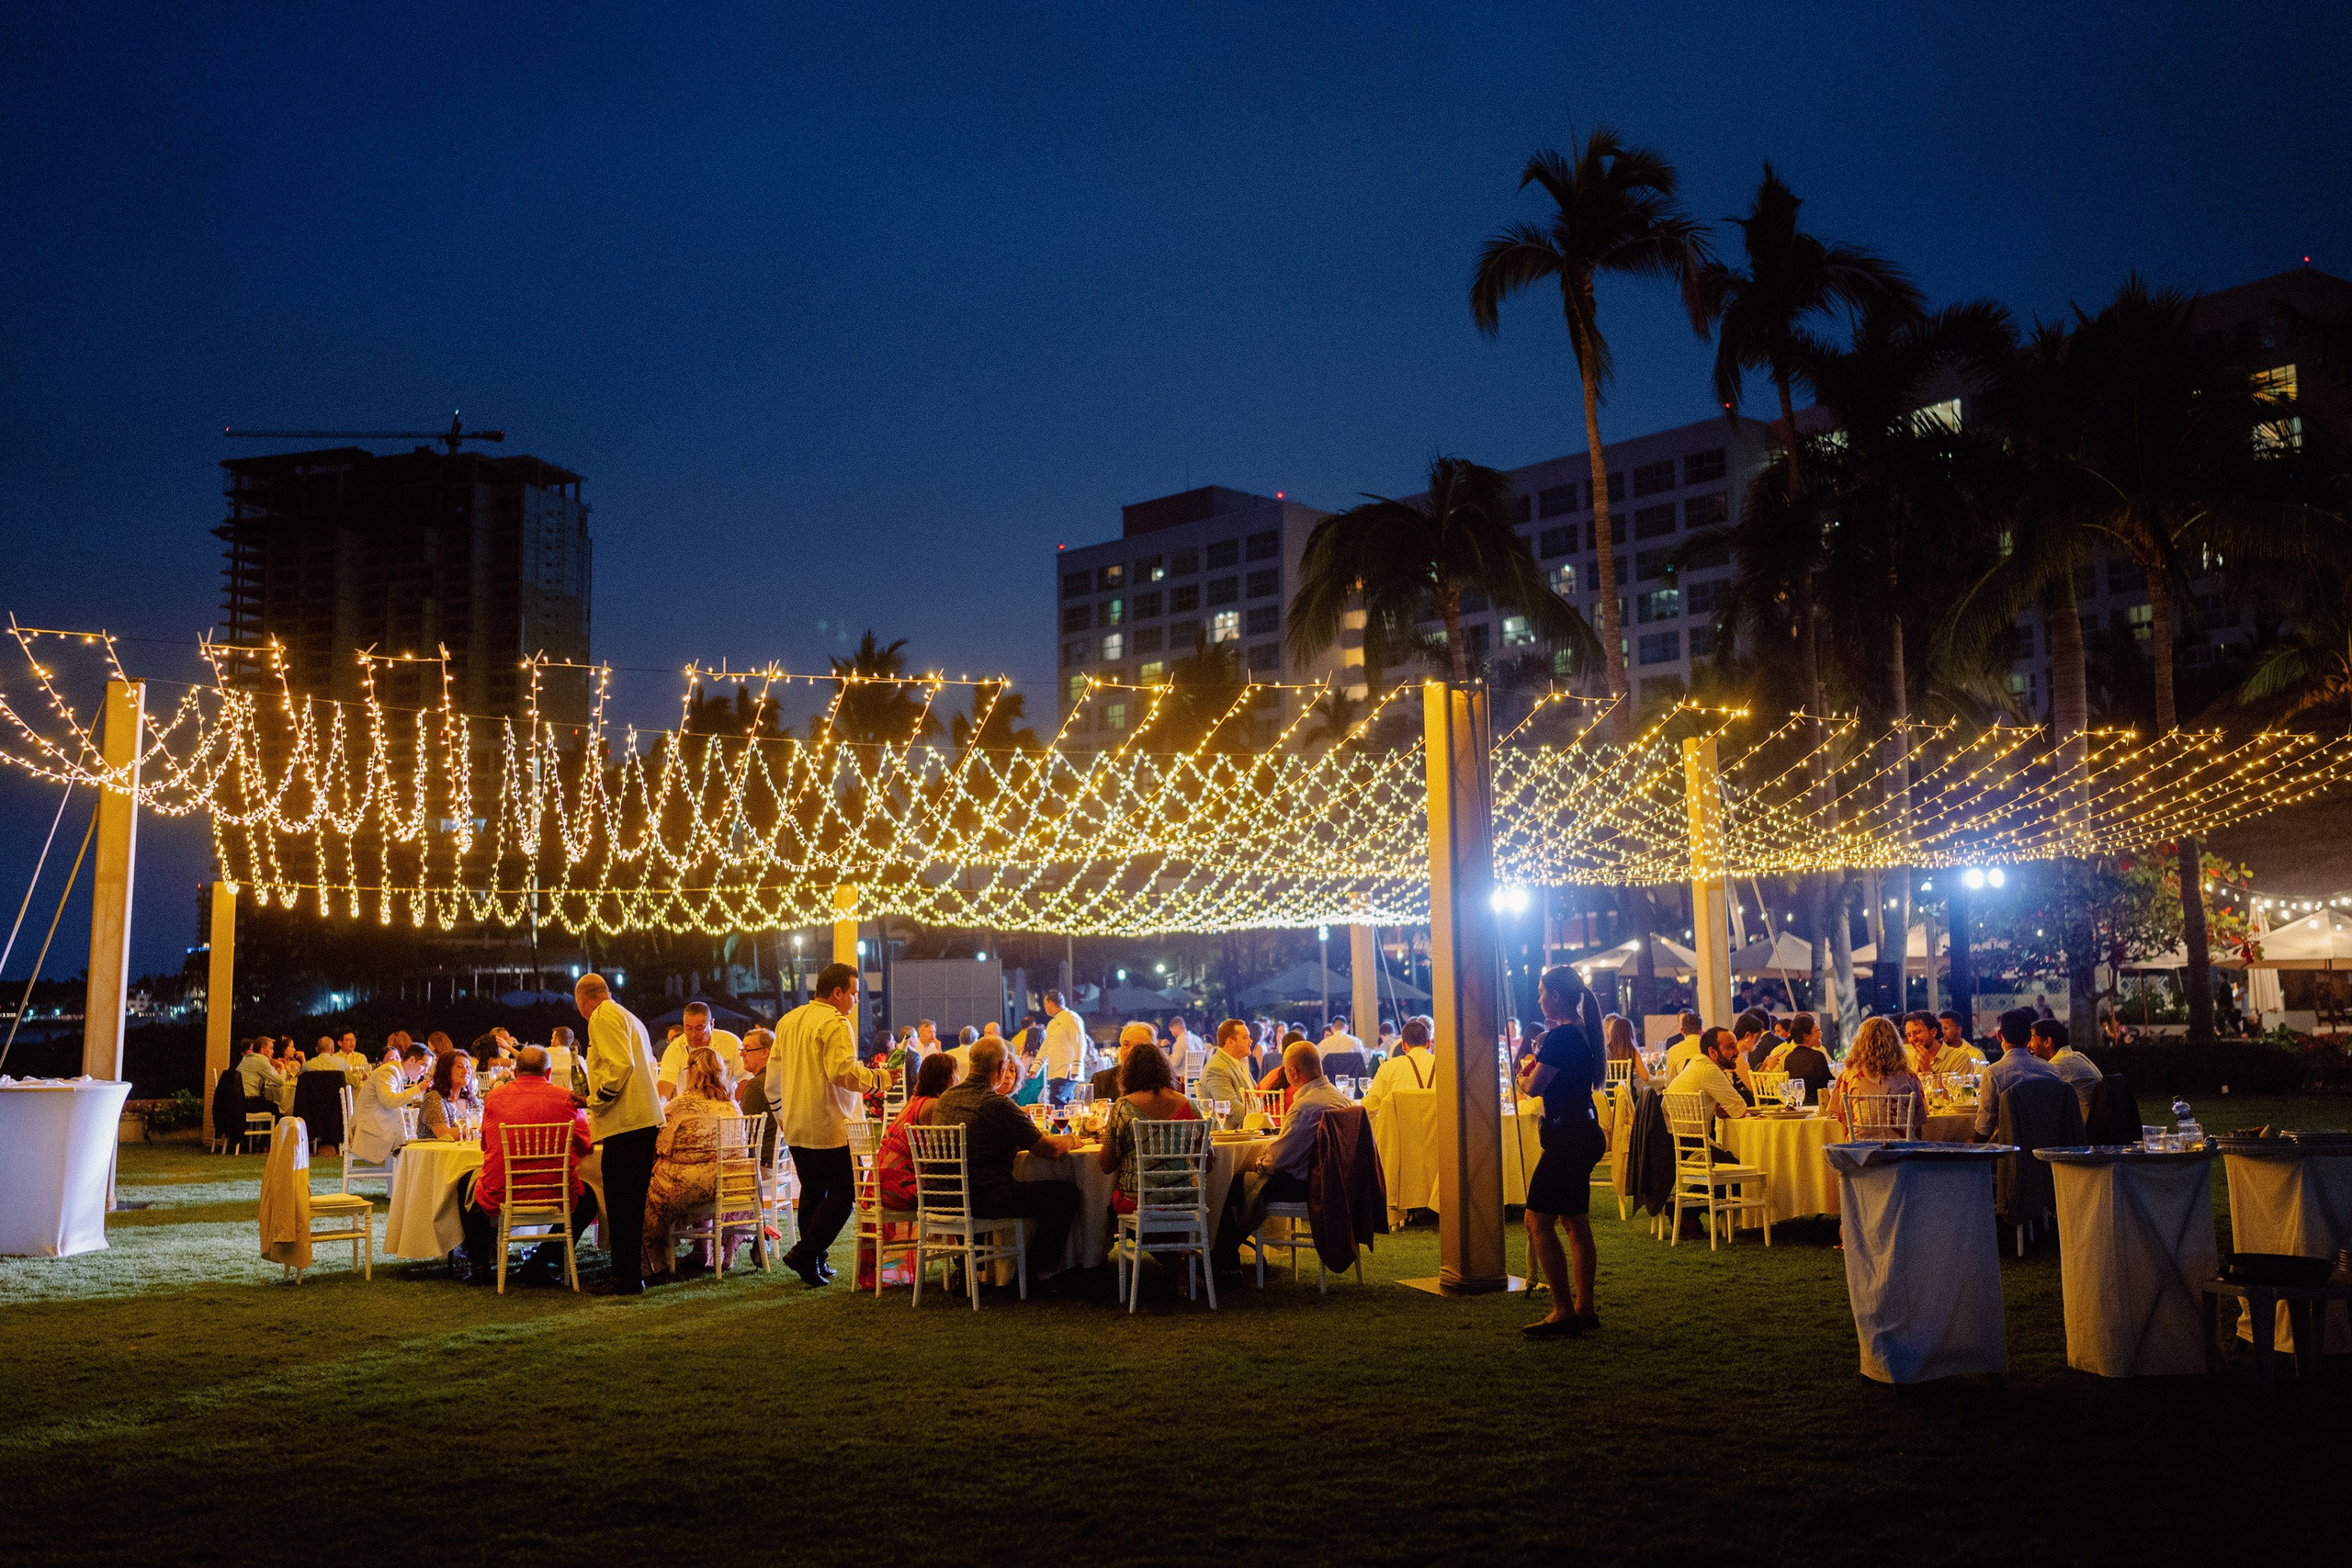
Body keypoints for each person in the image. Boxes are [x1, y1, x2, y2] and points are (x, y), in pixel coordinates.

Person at [924, 1039, 1087, 1287]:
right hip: (984, 1198)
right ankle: (1032, 1276)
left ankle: (972, 1271)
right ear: (1002, 1067)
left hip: (939, 1196)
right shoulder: (996, 1103)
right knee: (1065, 1195)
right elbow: (1049, 1150)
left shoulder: (946, 1099)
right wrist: (1073, 1140)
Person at [768, 962, 889, 1289]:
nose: (854, 1001)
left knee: (812, 1192)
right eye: (853, 994)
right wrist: (877, 1080)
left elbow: (773, 1080)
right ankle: (807, 1252)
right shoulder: (835, 1023)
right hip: (829, 1122)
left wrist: (783, 1114)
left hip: (796, 1123)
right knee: (845, 1192)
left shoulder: (788, 1021)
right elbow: (842, 1072)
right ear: (837, 993)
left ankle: (814, 1260)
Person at [1519, 964, 1608, 1339]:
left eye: (1541, 992)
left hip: (1567, 1135)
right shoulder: (1581, 1034)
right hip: (1582, 1130)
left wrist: (1522, 1074)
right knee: (1574, 1221)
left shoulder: (1562, 1037)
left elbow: (1534, 1087)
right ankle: (1583, 1307)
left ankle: (1562, 1309)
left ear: (1556, 996)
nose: (1538, 999)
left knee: (1536, 1221)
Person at [459, 1044, 594, 1287]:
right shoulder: (568, 1099)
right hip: (555, 1192)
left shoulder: (495, 1097)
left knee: (465, 1186)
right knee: (591, 1197)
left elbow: (486, 1144)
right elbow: (586, 1145)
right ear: (549, 1072)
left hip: (504, 1192)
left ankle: (479, 1264)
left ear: (515, 1070)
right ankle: (540, 1260)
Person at [1212, 1041, 1351, 1275]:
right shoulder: (1338, 1097)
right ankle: (1228, 1255)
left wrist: (1258, 1163)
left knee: (1229, 1186)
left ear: (1293, 1072)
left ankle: (1224, 1261)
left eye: (1286, 1070)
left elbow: (1280, 1160)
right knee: (1243, 1184)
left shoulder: (1306, 1106)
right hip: (1333, 1182)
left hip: (1306, 1185)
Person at [576, 972, 664, 1298]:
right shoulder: (629, 1017)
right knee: (630, 1203)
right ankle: (630, 1272)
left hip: (625, 1123)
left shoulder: (602, 1015)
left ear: (582, 999)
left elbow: (619, 1066)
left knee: (620, 1203)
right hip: (642, 1120)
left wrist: (595, 1101)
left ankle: (626, 1276)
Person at [641, 1045, 742, 1280]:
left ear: (691, 1072)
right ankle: (708, 1253)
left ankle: (656, 1264)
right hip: (730, 1186)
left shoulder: (680, 1106)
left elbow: (661, 1147)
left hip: (688, 1188)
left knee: (641, 1193)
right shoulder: (732, 1106)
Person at [1099, 1039, 1200, 1218]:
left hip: (1136, 1200)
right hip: (1184, 1200)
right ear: (1165, 1070)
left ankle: (1106, 1243)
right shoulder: (1188, 1105)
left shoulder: (1123, 1107)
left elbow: (1106, 1165)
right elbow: (1208, 1161)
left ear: (1128, 1074)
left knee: (1106, 1206)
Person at [1825, 1016, 1928, 1138]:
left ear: (1859, 1042)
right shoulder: (1909, 1077)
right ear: (1895, 1043)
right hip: (1901, 1150)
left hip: (1861, 1150)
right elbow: (1919, 1120)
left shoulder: (1848, 1076)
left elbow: (1844, 1118)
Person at [1973, 1007, 2059, 1139]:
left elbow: (1985, 1128)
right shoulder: (2051, 1070)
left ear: (1999, 1035)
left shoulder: (1993, 1073)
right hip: (2047, 1147)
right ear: (2029, 1036)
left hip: (2008, 1150)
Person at [349, 1039, 429, 1171]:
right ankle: (412, 1186)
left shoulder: (395, 1071)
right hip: (367, 1132)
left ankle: (407, 1186)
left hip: (377, 1125)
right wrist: (417, 1089)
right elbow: (388, 1101)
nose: (425, 1071)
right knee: (419, 1140)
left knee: (417, 1133)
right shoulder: (389, 1071)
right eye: (424, 1065)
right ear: (412, 1060)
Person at [1666, 1026, 1750, 1131]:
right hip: (1693, 1142)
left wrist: (1724, 1109)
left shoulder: (1698, 1061)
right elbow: (1740, 1111)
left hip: (1674, 1137)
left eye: (1736, 1046)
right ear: (1713, 1052)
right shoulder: (1709, 1070)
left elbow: (1728, 1110)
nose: (1737, 1052)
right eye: (1731, 1047)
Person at [659, 1001, 742, 1099]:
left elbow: (745, 1079)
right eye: (689, 1028)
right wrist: (661, 1107)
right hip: (688, 1109)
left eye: (699, 1028)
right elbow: (665, 1083)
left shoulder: (731, 1042)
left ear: (711, 1024)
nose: (693, 1034)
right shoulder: (675, 1049)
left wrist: (732, 1105)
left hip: (726, 1108)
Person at [1363, 1016, 1438, 1112]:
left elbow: (1369, 1107)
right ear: (1428, 1043)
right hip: (1439, 1127)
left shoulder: (1388, 1068)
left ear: (1403, 1045)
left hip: (1399, 1127)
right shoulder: (1444, 1067)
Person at [2030, 1018, 2103, 1113]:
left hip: (2085, 1126)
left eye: (2032, 1039)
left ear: (2047, 1042)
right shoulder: (2076, 1056)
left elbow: (2035, 1097)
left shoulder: (2058, 1065)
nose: (2028, 1045)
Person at [1197, 1018, 1259, 1128]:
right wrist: (1259, 1122)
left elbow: (1256, 1095)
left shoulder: (1240, 1062)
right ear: (1230, 1042)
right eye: (1245, 1038)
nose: (1251, 1041)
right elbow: (1231, 1107)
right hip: (1229, 1135)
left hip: (1247, 1129)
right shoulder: (1216, 1068)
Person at [734, 1028, 780, 1168]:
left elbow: (742, 1131)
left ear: (765, 1053)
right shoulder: (781, 1079)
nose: (742, 1054)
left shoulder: (757, 1085)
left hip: (758, 1167)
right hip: (776, 1163)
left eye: (747, 1049)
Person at [1038, 988, 1091, 1107]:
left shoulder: (1071, 1018)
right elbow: (1046, 1046)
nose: (1045, 1007)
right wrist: (1036, 1067)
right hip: (1055, 1071)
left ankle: (1060, 1126)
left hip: (1067, 1071)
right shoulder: (1052, 1023)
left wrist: (1076, 1067)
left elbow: (1080, 1043)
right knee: (1065, 1105)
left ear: (1050, 1003)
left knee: (1057, 1102)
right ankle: (1066, 1125)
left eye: (1045, 1003)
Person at [1767, 1012, 1834, 1099]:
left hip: (1797, 1103)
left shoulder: (1789, 1057)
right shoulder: (1817, 1056)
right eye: (1817, 1030)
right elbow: (1829, 1083)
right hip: (1817, 1103)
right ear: (1806, 1036)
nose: (1821, 1033)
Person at [416, 1046, 474, 1139]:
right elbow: (444, 1134)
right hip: (436, 1152)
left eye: (468, 1067)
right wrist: (476, 1131)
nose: (466, 1071)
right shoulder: (434, 1097)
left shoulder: (469, 1099)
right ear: (446, 1071)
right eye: (460, 1066)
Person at [1091, 1021, 1153, 1100]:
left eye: (1139, 1046)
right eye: (1126, 1045)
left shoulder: (1162, 1083)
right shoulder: (1102, 1081)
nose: (1131, 1051)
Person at [1600, 1013, 1651, 1087]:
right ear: (1630, 1033)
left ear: (1613, 1032)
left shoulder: (1604, 1050)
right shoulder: (1631, 1051)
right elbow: (1645, 1077)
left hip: (1607, 1096)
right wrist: (1644, 1064)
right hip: (1626, 1097)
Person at [236, 1037, 284, 1108]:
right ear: (262, 1050)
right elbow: (281, 1082)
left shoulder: (246, 1058)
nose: (273, 1051)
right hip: (248, 1101)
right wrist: (283, 1068)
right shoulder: (261, 1060)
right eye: (271, 1048)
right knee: (275, 1108)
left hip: (237, 1100)